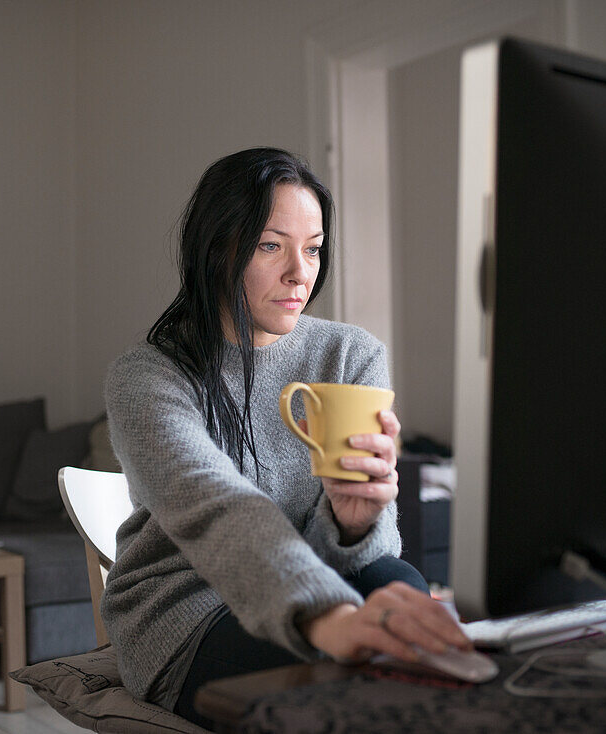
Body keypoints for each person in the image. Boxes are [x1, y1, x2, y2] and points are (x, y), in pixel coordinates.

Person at [101, 147, 471, 727]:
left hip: (324, 578)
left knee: (400, 585)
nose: (301, 272)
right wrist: (331, 618)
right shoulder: (148, 374)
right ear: (217, 248)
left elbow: (375, 552)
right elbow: (215, 505)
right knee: (345, 679)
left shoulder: (350, 354)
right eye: (271, 245)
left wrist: (354, 522)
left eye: (314, 248)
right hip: (190, 610)